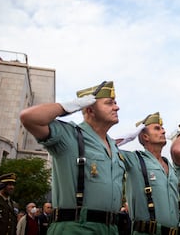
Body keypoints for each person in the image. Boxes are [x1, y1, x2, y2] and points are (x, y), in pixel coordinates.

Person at [19, 81, 125, 235]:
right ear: (89, 109)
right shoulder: (70, 136)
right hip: (75, 228)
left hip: (110, 229)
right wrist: (73, 105)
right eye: (109, 103)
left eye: (115, 103)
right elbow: (29, 117)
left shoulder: (113, 147)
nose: (116, 107)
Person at [117, 112, 180, 234]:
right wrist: (128, 137)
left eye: (163, 128)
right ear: (145, 137)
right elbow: (103, 147)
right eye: (157, 128)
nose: (163, 131)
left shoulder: (170, 166)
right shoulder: (135, 159)